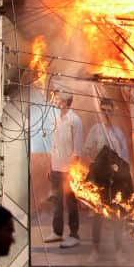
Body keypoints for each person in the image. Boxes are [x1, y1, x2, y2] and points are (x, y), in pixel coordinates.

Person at [82, 97, 132, 257]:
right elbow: (87, 149)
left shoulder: (118, 134)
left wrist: (118, 170)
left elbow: (124, 156)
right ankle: (95, 250)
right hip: (100, 179)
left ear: (113, 112)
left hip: (116, 180)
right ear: (100, 112)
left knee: (117, 213)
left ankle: (118, 250)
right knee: (98, 214)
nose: (106, 113)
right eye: (103, 110)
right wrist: (97, 165)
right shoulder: (96, 130)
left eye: (109, 110)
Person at [47, 89, 83, 248]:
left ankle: (74, 235)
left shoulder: (75, 120)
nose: (56, 100)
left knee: (70, 202)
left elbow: (78, 149)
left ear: (67, 101)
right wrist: (51, 166)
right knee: (57, 201)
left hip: (69, 170)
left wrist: (73, 172)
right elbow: (53, 146)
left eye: (59, 99)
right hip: (55, 167)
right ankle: (57, 232)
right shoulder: (55, 119)